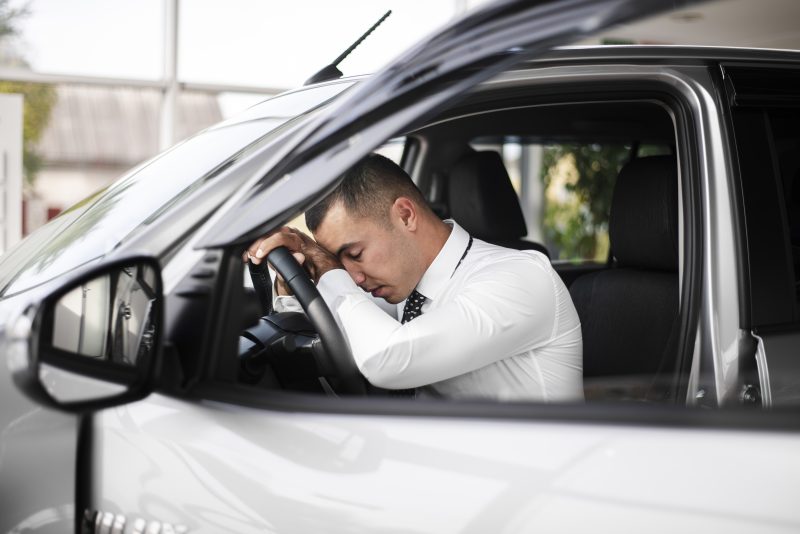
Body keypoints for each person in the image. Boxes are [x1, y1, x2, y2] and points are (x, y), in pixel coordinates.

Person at [246, 153, 583, 401]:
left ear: (405, 215)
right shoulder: (405, 289)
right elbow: (338, 326)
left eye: (355, 254)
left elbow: (388, 359)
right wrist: (296, 280)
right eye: (341, 260)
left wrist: (331, 271)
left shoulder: (520, 278)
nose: (356, 278)